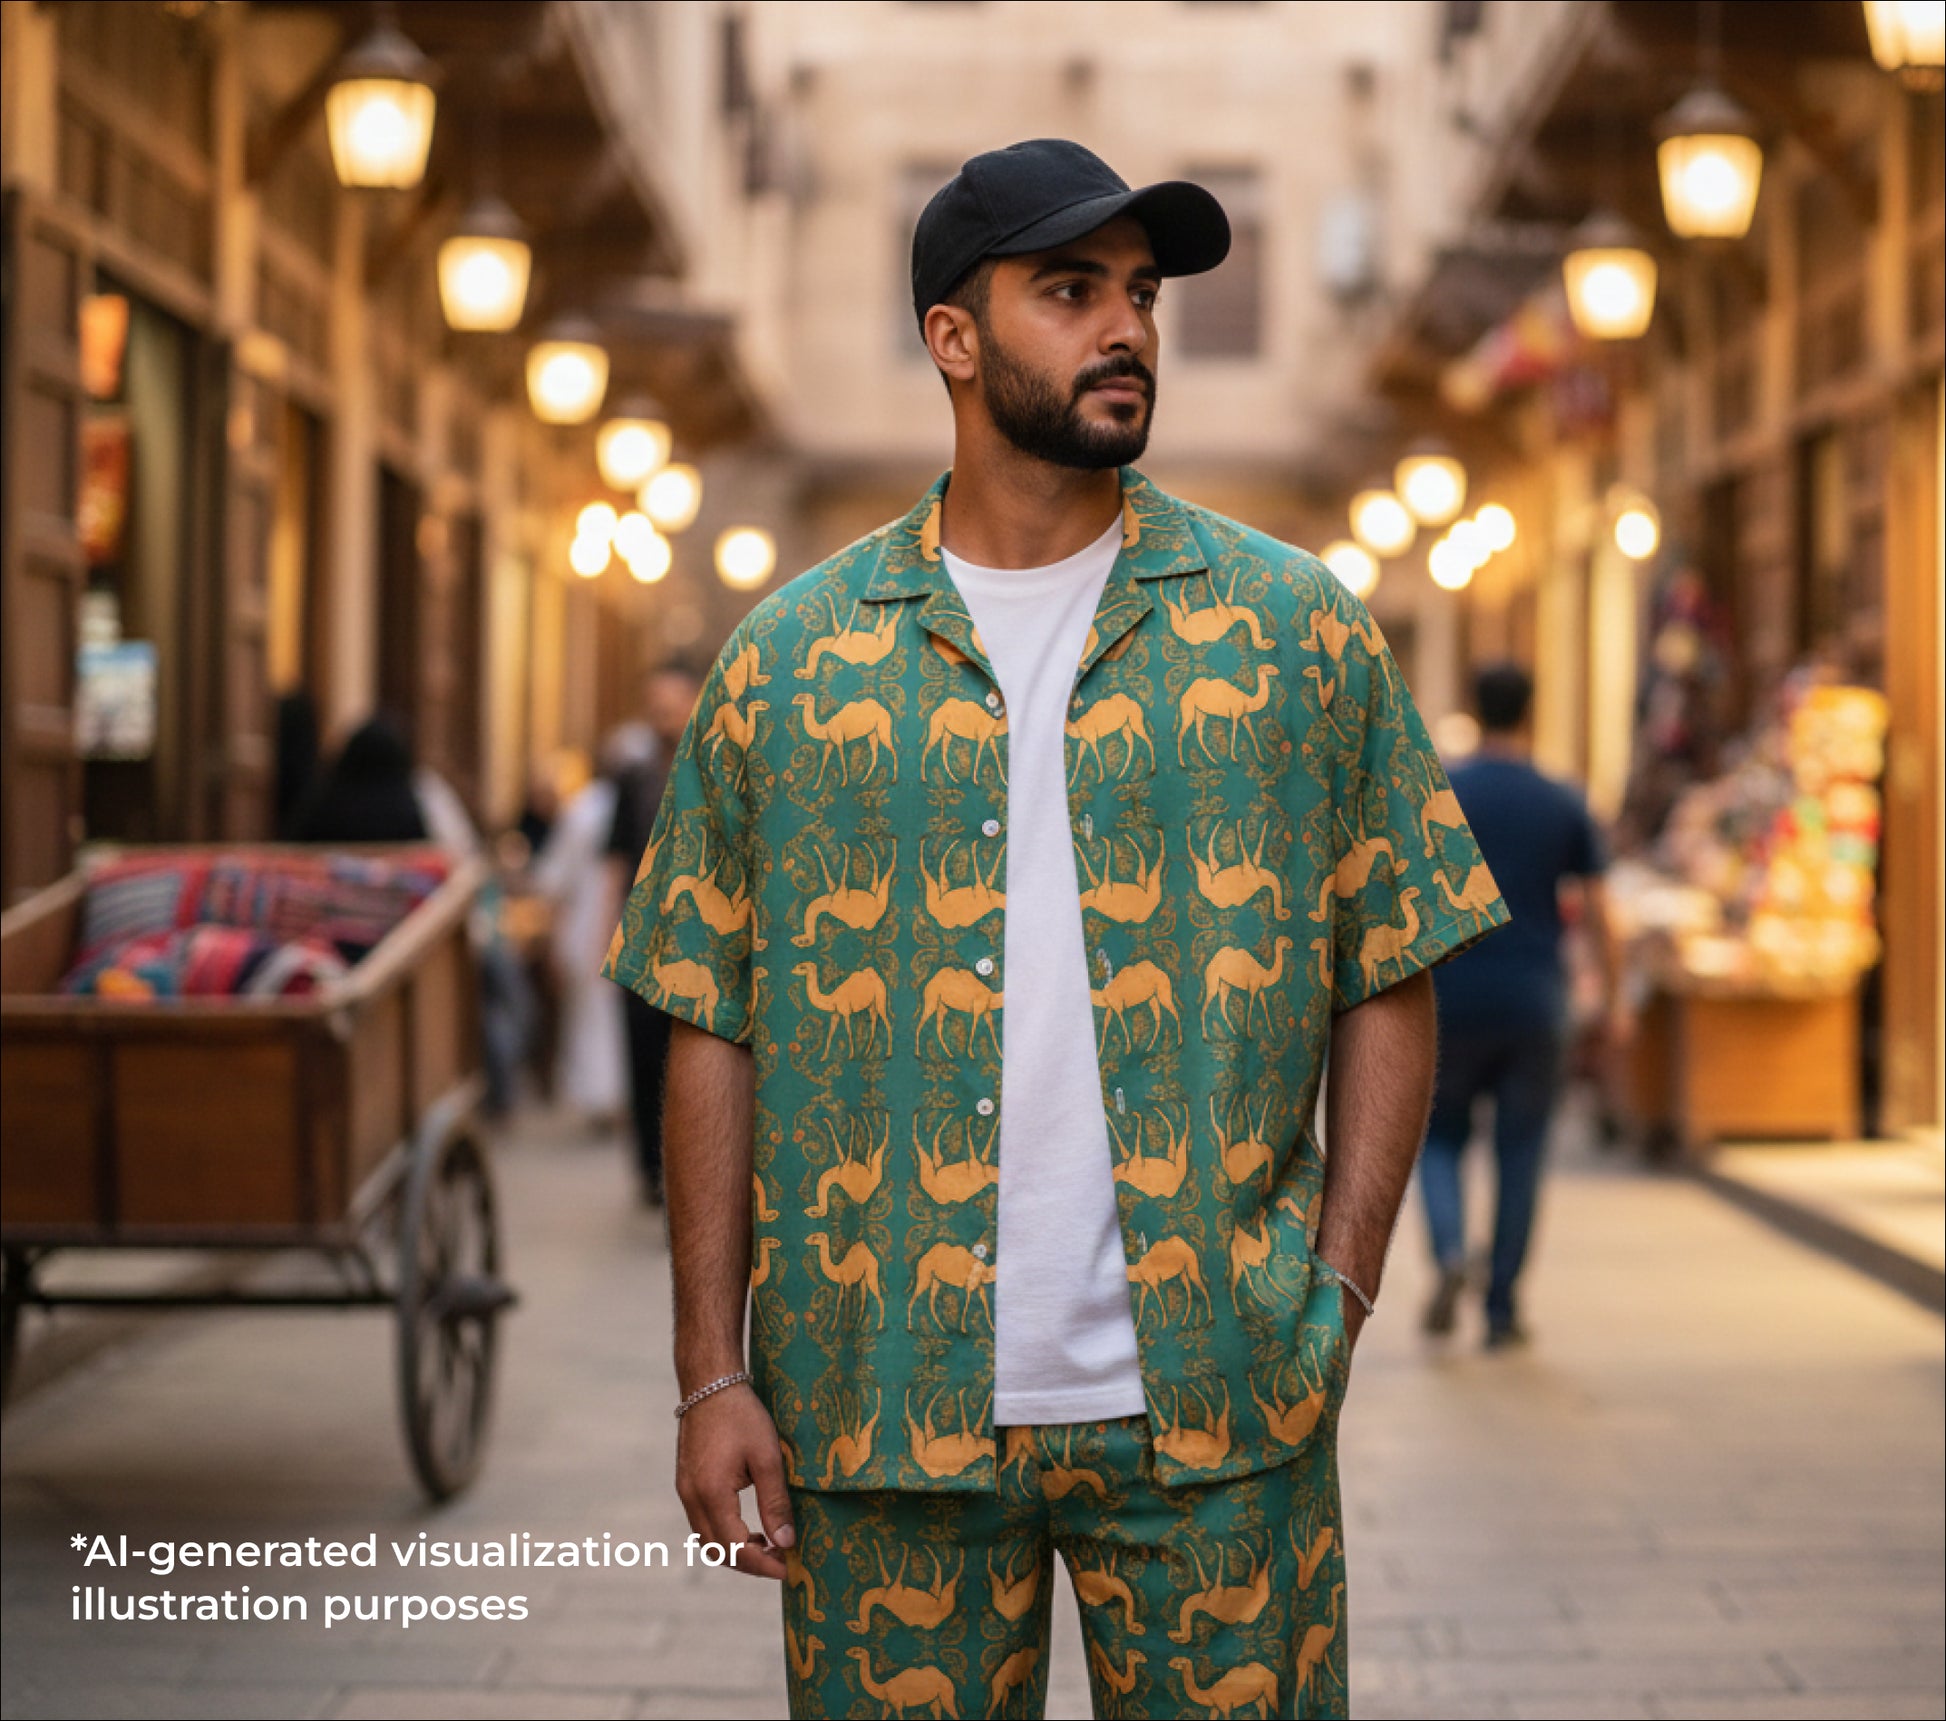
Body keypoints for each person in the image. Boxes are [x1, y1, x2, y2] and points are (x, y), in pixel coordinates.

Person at [604, 139, 1507, 1721]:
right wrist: (710, 1371)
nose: (1128, 330)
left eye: (1142, 295)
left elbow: (1391, 964)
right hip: (879, 1413)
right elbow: (712, 1018)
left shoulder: (1288, 631)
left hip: (1223, 1416)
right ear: (952, 337)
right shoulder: (791, 664)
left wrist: (1336, 1293)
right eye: (1070, 290)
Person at [1416, 663, 1618, 1349]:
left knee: (1438, 1139)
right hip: (1535, 1000)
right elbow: (1598, 911)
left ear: (1475, 706)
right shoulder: (1560, 798)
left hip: (1450, 997)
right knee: (1522, 1150)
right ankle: (1501, 1307)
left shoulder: (1445, 789)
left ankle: (1448, 1250)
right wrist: (1612, 1001)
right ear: (1531, 712)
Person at [607, 663, 706, 1204]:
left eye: (673, 700)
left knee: (692, 1052)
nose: (663, 712)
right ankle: (650, 1171)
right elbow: (615, 861)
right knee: (643, 1055)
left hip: (700, 934)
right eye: (655, 701)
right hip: (643, 934)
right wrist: (608, 935)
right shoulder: (633, 778)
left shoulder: (718, 768)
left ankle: (693, 1171)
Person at [535, 732, 646, 1130]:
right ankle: (612, 1100)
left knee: (592, 1018)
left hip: (588, 925)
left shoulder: (583, 809)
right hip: (613, 923)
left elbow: (552, 876)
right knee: (605, 1018)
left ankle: (604, 1098)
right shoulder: (614, 806)